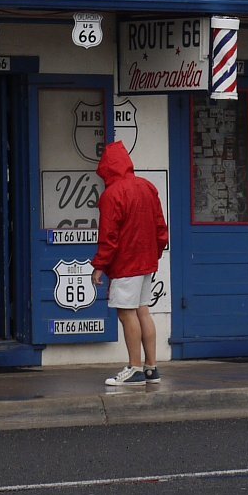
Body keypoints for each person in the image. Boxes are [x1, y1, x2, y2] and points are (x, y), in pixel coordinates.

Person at [91, 140, 168, 387]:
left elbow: (108, 236)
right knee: (143, 310)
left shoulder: (112, 195)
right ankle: (151, 368)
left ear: (107, 168)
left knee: (126, 313)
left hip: (126, 263)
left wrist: (99, 266)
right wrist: (155, 254)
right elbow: (161, 227)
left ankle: (134, 368)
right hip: (146, 261)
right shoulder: (147, 187)